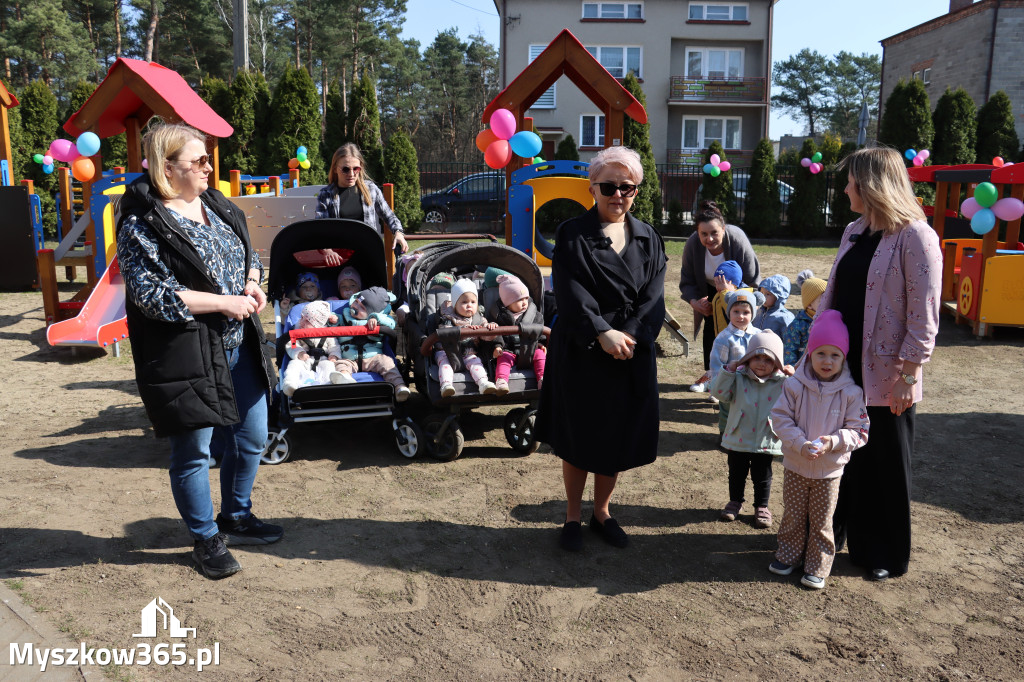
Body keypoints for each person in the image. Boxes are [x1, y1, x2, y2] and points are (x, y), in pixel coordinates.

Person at [117, 122, 282, 580]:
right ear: (168, 168)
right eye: (199, 161)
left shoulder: (216, 204)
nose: (210, 167)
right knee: (193, 451)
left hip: (239, 343)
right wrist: (223, 303)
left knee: (251, 438)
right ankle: (206, 537)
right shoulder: (141, 222)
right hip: (187, 350)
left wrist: (252, 284)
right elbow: (153, 295)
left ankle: (236, 515)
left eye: (208, 158)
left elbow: (249, 254)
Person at [535, 145, 667, 552]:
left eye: (626, 187)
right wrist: (601, 333)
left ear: (636, 191)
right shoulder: (573, 233)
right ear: (592, 188)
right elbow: (571, 293)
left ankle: (602, 512)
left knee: (616, 436)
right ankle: (573, 516)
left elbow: (654, 299)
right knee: (578, 436)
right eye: (608, 186)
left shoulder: (649, 238)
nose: (617, 195)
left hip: (629, 350)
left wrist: (627, 335)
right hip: (584, 349)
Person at [819, 146, 942, 582]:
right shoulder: (854, 229)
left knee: (884, 465)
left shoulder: (915, 236)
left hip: (889, 375)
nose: (846, 187)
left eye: (851, 180)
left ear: (871, 184)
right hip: (842, 367)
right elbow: (834, 294)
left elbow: (923, 315)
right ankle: (827, 538)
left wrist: (910, 374)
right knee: (840, 457)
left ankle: (883, 551)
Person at [769, 310, 870, 590]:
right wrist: (800, 443)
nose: (827, 361)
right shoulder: (793, 386)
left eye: (835, 355)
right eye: (821, 353)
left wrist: (833, 442)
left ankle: (818, 566)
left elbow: (860, 430)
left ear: (844, 358)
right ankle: (788, 556)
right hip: (796, 465)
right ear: (809, 354)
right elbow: (780, 418)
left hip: (829, 471)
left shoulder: (851, 393)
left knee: (823, 520)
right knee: (793, 514)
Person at [708, 330, 787, 529]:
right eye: (757, 357)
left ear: (777, 362)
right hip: (738, 436)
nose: (762, 363)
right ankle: (735, 501)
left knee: (763, 476)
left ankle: (762, 506)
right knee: (736, 472)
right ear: (748, 358)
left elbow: (800, 400)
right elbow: (719, 393)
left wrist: (795, 378)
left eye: (768, 359)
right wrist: (728, 371)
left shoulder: (783, 382)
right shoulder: (738, 377)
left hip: (766, 439)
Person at [679, 201, 760, 392]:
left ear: (723, 229)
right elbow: (687, 280)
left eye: (714, 232)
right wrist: (694, 302)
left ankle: (742, 373)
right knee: (711, 327)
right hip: (707, 289)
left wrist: (733, 295)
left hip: (739, 289)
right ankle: (711, 375)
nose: (710, 238)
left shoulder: (737, 240)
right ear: (697, 233)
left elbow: (752, 278)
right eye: (704, 234)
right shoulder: (692, 245)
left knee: (738, 327)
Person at [314, 143, 408, 262]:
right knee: (347, 281)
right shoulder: (326, 195)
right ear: (335, 169)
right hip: (340, 259)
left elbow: (389, 216)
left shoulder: (371, 190)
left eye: (356, 169)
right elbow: (320, 229)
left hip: (369, 254)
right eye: (345, 169)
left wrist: (398, 233)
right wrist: (327, 250)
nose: (352, 174)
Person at [331, 286, 411, 402]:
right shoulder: (344, 316)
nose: (355, 306)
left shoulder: (378, 318)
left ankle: (399, 387)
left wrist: (376, 318)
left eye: (362, 307)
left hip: (372, 358)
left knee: (387, 362)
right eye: (356, 302)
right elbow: (333, 326)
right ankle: (345, 379)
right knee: (340, 365)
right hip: (349, 359)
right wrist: (332, 320)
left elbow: (391, 323)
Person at [428, 278, 498, 397]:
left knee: (476, 362)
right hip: (446, 351)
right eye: (464, 302)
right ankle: (446, 385)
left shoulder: (479, 319)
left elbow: (487, 337)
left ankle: (483, 383)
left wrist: (489, 329)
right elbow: (445, 332)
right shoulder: (447, 316)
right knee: (445, 364)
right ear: (455, 304)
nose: (469, 306)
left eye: (473, 302)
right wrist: (467, 330)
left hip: (467, 352)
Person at [709, 290, 763, 431]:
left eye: (746, 312)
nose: (740, 316)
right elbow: (716, 364)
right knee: (727, 411)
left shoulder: (758, 335)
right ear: (729, 312)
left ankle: (743, 436)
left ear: (753, 314)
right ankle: (724, 435)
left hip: (752, 384)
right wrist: (719, 384)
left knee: (749, 412)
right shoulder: (724, 338)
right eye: (736, 311)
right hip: (731, 385)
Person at [489, 274, 546, 395]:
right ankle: (501, 381)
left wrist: (540, 343)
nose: (524, 303)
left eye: (526, 298)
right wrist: (497, 346)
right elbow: (497, 334)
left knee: (540, 355)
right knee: (503, 358)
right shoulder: (498, 315)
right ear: (507, 303)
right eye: (519, 300)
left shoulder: (534, 314)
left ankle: (542, 379)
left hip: (530, 348)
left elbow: (539, 330)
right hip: (509, 349)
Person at [782, 270, 826, 367]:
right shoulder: (797, 326)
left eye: (829, 297)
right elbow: (789, 352)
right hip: (802, 373)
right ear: (809, 305)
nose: (827, 303)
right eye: (822, 299)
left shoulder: (832, 321)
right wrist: (793, 373)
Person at [753, 274, 795, 338]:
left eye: (768, 294)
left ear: (779, 297)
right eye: (761, 293)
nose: (763, 297)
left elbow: (789, 340)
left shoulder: (784, 317)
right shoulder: (757, 312)